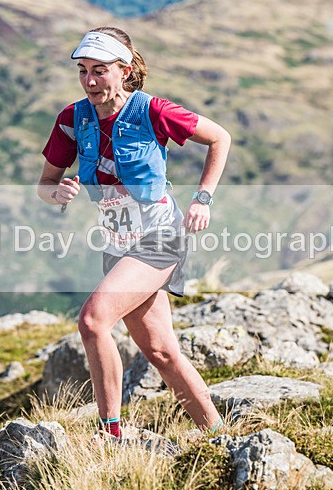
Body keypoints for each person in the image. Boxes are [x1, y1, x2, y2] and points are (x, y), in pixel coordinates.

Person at [37, 26, 230, 436]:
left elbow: (219, 138)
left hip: (161, 236)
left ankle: (110, 436)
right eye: (83, 70)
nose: (90, 80)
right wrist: (60, 193)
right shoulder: (72, 119)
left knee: (92, 321)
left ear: (123, 70)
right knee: (161, 351)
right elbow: (45, 184)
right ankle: (217, 435)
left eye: (100, 70)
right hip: (117, 243)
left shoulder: (152, 111)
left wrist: (203, 199)